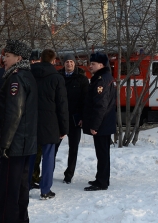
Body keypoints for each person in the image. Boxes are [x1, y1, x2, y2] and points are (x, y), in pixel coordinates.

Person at [0, 40, 38, 223]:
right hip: (25, 144)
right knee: (20, 190)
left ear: (18, 58)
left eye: (8, 56)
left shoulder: (16, 79)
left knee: (8, 192)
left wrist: (4, 144)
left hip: (15, 146)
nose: (4, 60)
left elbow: (13, 114)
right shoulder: (27, 76)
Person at [29, 48, 68, 200]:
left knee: (31, 154)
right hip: (50, 123)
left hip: (31, 120)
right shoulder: (56, 78)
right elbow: (62, 104)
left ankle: (27, 183)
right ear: (53, 61)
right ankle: (45, 189)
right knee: (48, 156)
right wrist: (64, 127)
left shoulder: (29, 74)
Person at [83, 52, 116, 191]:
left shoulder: (102, 80)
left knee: (102, 154)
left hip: (102, 124)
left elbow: (101, 105)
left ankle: (102, 182)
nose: (90, 66)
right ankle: (101, 178)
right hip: (104, 123)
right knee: (102, 153)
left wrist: (95, 125)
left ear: (101, 65)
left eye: (93, 64)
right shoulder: (104, 77)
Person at [55, 53, 89, 184]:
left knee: (73, 149)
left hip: (75, 119)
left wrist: (82, 117)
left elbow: (85, 100)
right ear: (63, 63)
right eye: (67, 62)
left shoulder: (81, 79)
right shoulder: (58, 77)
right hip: (59, 119)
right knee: (54, 147)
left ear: (75, 63)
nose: (69, 64)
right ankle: (48, 172)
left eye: (71, 62)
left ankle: (69, 174)